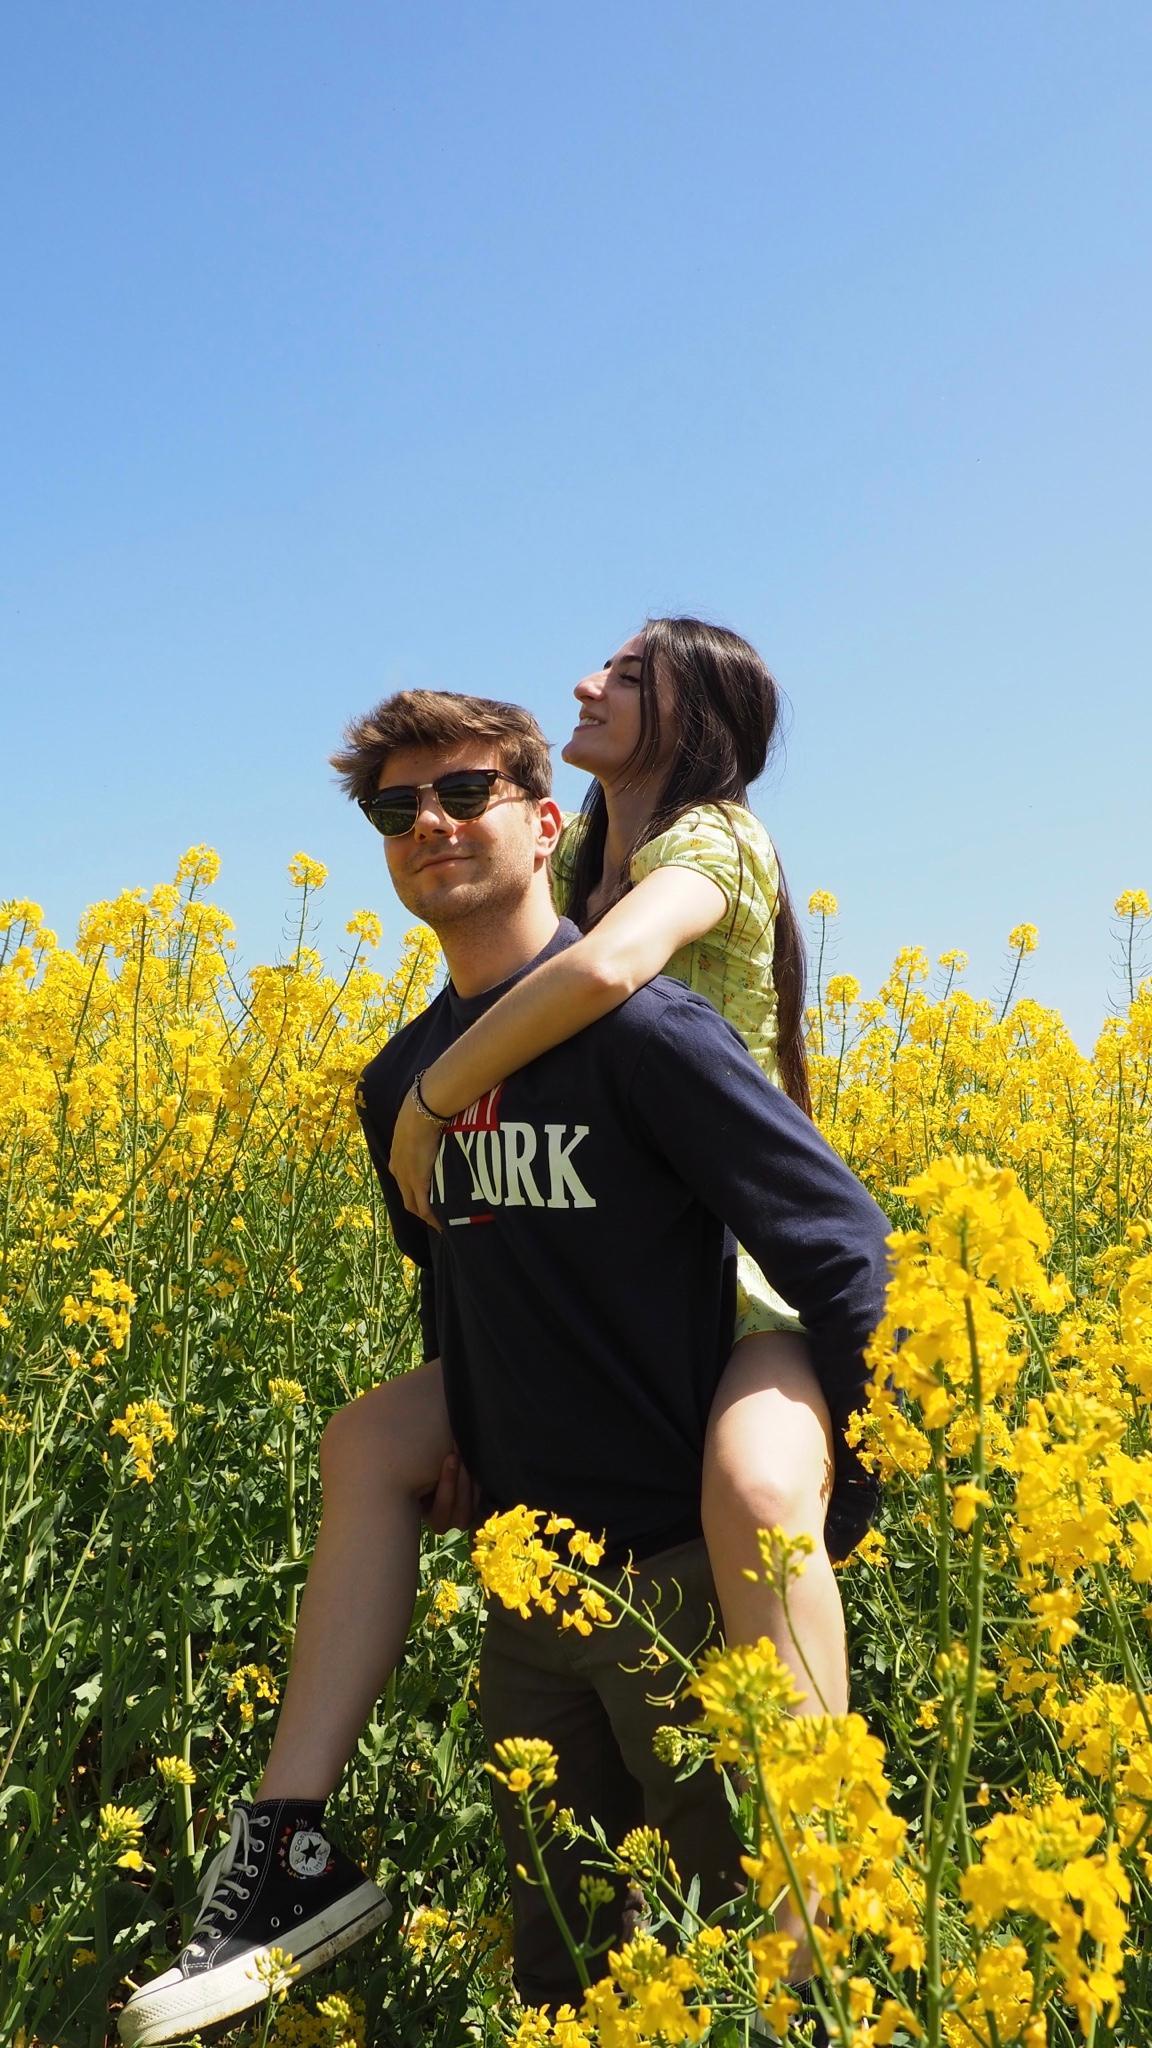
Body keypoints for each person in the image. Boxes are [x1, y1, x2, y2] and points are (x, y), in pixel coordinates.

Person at [120, 654, 890, 2044]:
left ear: (548, 825)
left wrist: (838, 1471)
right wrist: (469, 1426)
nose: (430, 821)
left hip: (688, 1589)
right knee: (565, 1990)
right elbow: (460, 1277)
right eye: (397, 808)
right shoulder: (395, 1084)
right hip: (530, 1606)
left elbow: (840, 1242)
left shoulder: (646, 1033)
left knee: (764, 1994)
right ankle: (287, 1848)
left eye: (467, 792)